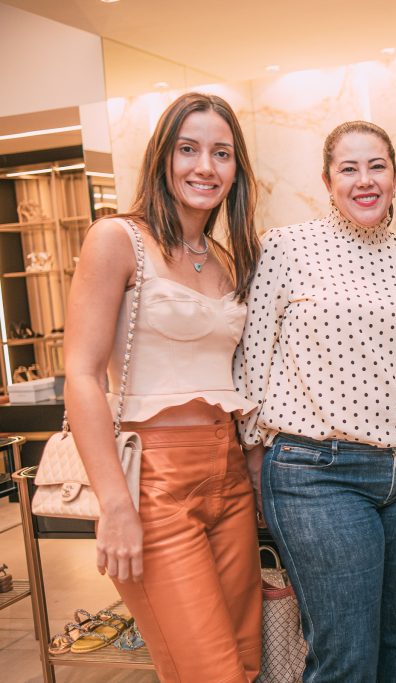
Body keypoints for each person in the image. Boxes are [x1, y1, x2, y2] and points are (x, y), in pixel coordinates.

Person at [234, 120, 396, 682]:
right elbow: (252, 359)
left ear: (395, 177)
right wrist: (253, 460)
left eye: (377, 167)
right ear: (327, 180)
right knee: (346, 649)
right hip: (318, 475)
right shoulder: (285, 249)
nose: (364, 181)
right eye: (349, 169)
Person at [64, 92, 262, 682]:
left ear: (236, 170)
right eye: (188, 149)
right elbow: (81, 374)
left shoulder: (227, 259)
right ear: (162, 157)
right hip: (152, 479)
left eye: (221, 153)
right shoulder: (118, 239)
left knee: (247, 662)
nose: (205, 166)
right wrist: (115, 505)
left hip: (227, 474)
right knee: (211, 672)